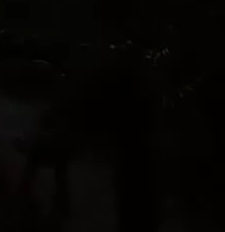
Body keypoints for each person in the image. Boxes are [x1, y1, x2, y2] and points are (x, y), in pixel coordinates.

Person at [20, 44, 160, 229]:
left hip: (127, 147)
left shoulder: (101, 83)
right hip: (128, 147)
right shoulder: (125, 83)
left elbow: (80, 111)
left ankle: (47, 204)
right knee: (55, 164)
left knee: (52, 162)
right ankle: (49, 204)